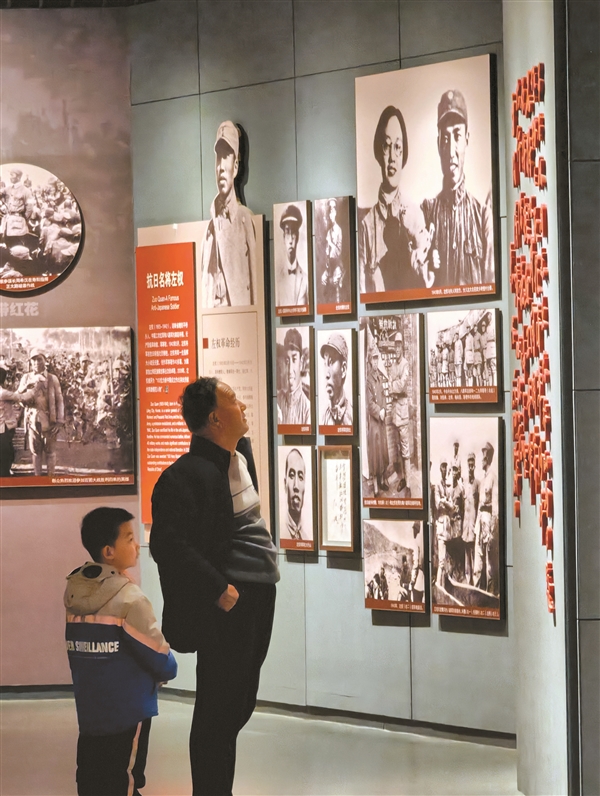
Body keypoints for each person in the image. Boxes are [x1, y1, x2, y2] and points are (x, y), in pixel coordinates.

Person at [150, 377, 279, 796]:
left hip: (257, 596)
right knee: (217, 713)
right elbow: (167, 544)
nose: (243, 405)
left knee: (238, 706)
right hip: (231, 604)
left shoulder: (239, 455)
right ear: (215, 418)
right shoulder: (186, 475)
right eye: (234, 401)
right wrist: (218, 590)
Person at [65, 507, 177, 796]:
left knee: (91, 780)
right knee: (123, 780)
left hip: (90, 712)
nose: (136, 545)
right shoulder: (130, 599)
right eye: (129, 538)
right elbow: (160, 659)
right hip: (129, 712)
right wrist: (169, 667)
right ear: (109, 551)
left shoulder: (74, 594)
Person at [422, 89, 494, 287]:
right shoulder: (426, 214)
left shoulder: (481, 217)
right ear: (438, 145)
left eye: (457, 136)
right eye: (445, 138)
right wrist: (425, 266)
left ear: (467, 140)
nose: (451, 150)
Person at [359, 105, 432, 294]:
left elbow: (425, 286)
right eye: (386, 146)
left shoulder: (416, 216)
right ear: (378, 152)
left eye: (398, 147)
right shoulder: (366, 226)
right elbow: (361, 291)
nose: (392, 157)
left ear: (404, 155)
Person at [201, 120, 256, 307]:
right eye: (219, 157)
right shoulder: (209, 231)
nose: (221, 167)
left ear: (236, 166)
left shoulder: (245, 219)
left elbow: (255, 293)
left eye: (227, 156)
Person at [18, 348, 64, 476]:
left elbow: (60, 400)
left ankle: (50, 478)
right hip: (32, 421)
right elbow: (18, 397)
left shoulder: (52, 378)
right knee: (35, 452)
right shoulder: (26, 378)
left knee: (50, 452)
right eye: (33, 360)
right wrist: (27, 386)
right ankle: (38, 478)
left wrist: (60, 421)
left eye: (39, 359)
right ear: (30, 362)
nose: (36, 363)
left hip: (49, 420)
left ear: (45, 360)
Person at [474, 441, 499, 594]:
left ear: (488, 457)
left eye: (483, 456)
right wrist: (477, 527)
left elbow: (495, 508)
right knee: (477, 565)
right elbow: (479, 506)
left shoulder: (493, 478)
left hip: (489, 523)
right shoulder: (482, 480)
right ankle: (475, 594)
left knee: (490, 566)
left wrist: (492, 532)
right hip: (480, 523)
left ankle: (491, 596)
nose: (481, 459)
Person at [388, 331, 411, 494]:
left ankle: (408, 484)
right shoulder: (393, 366)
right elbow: (390, 386)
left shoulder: (405, 364)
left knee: (405, 450)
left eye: (399, 346)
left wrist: (394, 386)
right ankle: (402, 477)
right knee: (397, 447)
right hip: (396, 412)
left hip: (402, 411)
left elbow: (401, 385)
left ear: (402, 347)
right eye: (395, 346)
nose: (397, 349)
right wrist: (394, 387)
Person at [0, 357, 32, 477]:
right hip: (5, 427)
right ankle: (4, 474)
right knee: (7, 452)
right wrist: (33, 389)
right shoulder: (3, 393)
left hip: (4, 426)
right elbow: (21, 397)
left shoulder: (4, 393)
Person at [366, 344, 389, 495]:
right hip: (374, 423)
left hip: (381, 421)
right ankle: (375, 485)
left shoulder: (379, 378)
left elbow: (384, 396)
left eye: (377, 359)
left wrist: (384, 409)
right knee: (375, 454)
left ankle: (381, 481)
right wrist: (378, 411)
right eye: (373, 359)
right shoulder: (368, 380)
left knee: (382, 452)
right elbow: (369, 403)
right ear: (370, 361)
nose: (375, 362)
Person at [276, 204, 308, 307]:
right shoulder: (277, 280)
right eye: (287, 232)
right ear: (283, 237)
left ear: (297, 237)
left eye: (293, 232)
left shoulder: (306, 279)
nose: (290, 240)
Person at [277, 328, 310, 426]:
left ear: (301, 363)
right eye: (287, 361)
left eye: (294, 359)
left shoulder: (307, 409)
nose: (290, 369)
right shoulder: (277, 402)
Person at [319, 332, 352, 427]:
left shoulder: (353, 416)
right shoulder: (322, 418)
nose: (326, 374)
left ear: (343, 369)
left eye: (331, 362)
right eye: (325, 364)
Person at [320, 198, 344, 304]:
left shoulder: (339, 230)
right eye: (330, 209)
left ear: (336, 212)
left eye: (333, 209)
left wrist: (330, 243)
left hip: (338, 265)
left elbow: (339, 251)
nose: (331, 211)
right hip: (330, 266)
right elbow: (327, 253)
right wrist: (326, 269)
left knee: (335, 281)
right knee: (323, 280)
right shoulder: (328, 232)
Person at [434, 457, 453, 587]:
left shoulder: (448, 486)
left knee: (445, 561)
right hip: (441, 526)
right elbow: (438, 505)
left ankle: (443, 587)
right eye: (443, 466)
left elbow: (452, 506)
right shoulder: (437, 485)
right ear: (440, 468)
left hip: (447, 528)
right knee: (441, 561)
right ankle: (439, 587)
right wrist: (445, 502)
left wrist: (444, 501)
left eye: (446, 466)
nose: (444, 469)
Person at [462, 452, 480, 585]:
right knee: (466, 551)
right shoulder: (464, 482)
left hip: (474, 522)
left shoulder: (478, 484)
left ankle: (475, 580)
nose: (470, 467)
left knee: (474, 551)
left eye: (472, 464)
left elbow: (478, 505)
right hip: (465, 524)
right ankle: (468, 579)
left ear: (475, 465)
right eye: (469, 464)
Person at [283, 447, 306, 540]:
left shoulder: (306, 538)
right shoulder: (281, 533)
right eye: (292, 476)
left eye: (300, 477)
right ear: (285, 483)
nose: (296, 486)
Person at [409, 521, 425, 603]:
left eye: (413, 529)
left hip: (419, 579)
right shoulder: (424, 539)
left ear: (416, 530)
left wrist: (412, 580)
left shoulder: (416, 541)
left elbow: (416, 563)